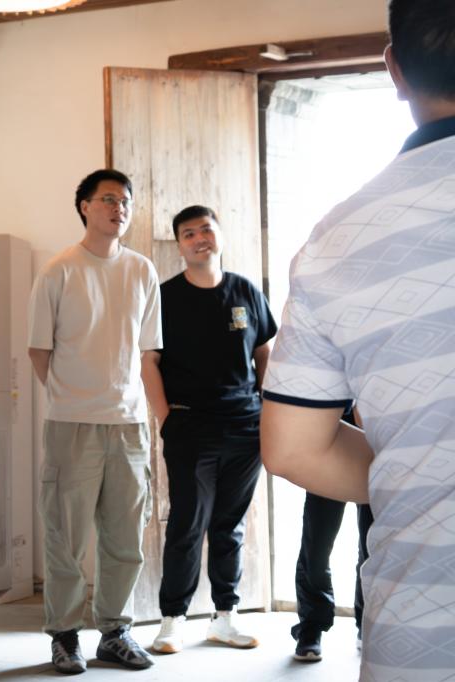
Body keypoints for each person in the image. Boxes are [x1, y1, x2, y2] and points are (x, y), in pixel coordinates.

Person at [261, 1, 455, 679]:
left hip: (420, 629)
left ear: (394, 69)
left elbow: (292, 449)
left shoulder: (338, 240)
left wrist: (418, 471)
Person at [28, 169, 161, 674]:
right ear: (84, 206)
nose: (118, 208)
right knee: (66, 538)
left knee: (125, 538)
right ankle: (64, 635)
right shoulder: (59, 270)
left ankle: (115, 631)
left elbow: (147, 353)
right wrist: (73, 397)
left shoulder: (142, 270)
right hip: (72, 422)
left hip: (129, 425)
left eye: (125, 201)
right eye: (108, 199)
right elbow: (39, 351)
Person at [140, 206, 275, 655]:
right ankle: (172, 620)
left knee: (229, 525)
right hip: (190, 427)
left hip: (246, 428)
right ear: (179, 245)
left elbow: (264, 353)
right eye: (189, 233)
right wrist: (167, 420)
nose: (200, 238)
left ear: (219, 235)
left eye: (206, 229)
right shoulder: (165, 297)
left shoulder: (245, 291)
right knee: (186, 522)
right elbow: (149, 362)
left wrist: (267, 410)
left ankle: (225, 617)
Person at [292, 485, 373, 661]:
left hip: (374, 470)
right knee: (315, 549)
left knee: (372, 549)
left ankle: (367, 624)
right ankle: (311, 628)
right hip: (327, 469)